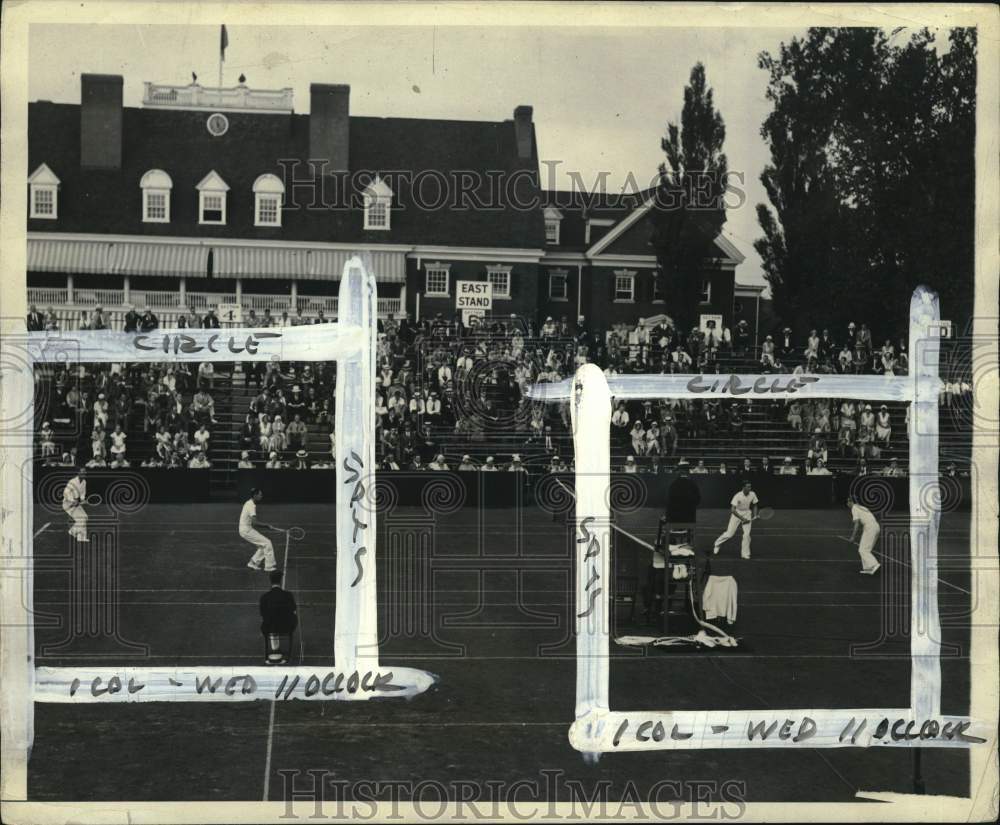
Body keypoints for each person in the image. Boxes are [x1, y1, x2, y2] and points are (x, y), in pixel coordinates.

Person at [713, 480, 759, 560]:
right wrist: (742, 518)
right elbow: (733, 510)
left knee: (746, 535)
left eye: (750, 487)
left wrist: (754, 515)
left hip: (747, 513)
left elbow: (755, 505)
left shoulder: (753, 494)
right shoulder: (737, 496)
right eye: (748, 487)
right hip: (736, 514)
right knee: (729, 534)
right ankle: (717, 544)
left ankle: (745, 554)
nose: (750, 488)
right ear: (743, 487)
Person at [260, 569, 298, 665]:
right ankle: (282, 652)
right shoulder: (288, 595)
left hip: (269, 627)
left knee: (268, 621)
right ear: (280, 580)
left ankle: (273, 650)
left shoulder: (264, 597)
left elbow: (262, 614)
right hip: (286, 627)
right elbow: (293, 610)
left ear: (270, 581)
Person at [241, 488, 278, 572]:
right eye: (260, 495)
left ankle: (252, 563)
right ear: (255, 495)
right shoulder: (251, 506)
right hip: (246, 530)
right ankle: (269, 566)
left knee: (263, 545)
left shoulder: (248, 502)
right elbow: (255, 523)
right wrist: (267, 526)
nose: (261, 496)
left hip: (246, 529)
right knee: (267, 543)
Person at [846, 496, 881, 574]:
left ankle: (874, 564)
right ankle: (868, 568)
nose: (847, 503)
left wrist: (853, 536)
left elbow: (857, 524)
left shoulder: (854, 508)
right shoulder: (862, 507)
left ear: (851, 502)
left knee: (863, 550)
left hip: (870, 528)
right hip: (876, 527)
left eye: (848, 501)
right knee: (865, 550)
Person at [61, 466, 89, 542]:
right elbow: (65, 493)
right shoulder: (72, 482)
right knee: (82, 518)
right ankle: (72, 531)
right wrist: (73, 500)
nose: (84, 473)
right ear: (78, 473)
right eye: (82, 472)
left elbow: (82, 493)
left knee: (85, 517)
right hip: (67, 504)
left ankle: (81, 537)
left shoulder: (84, 482)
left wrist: (83, 499)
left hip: (75, 503)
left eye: (84, 472)